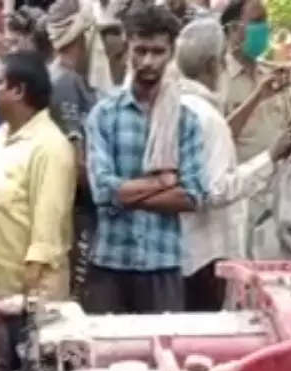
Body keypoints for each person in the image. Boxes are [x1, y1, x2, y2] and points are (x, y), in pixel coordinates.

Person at [175, 19, 291, 312]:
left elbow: (220, 134)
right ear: (213, 65)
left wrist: (259, 96)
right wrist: (271, 157)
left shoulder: (183, 106)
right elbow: (217, 189)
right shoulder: (205, 117)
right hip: (206, 255)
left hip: (186, 252)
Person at [83, 4, 208, 314]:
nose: (148, 61)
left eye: (157, 52)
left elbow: (193, 195)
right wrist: (163, 183)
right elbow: (101, 190)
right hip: (110, 262)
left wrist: (125, 195)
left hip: (162, 263)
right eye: (141, 51)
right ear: (127, 49)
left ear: (170, 54)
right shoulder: (105, 115)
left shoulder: (186, 121)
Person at [0, 51, 76, 299]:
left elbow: (46, 240)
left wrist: (30, 307)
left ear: (18, 91)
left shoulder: (50, 148)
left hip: (23, 297)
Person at [43, 0, 100, 299]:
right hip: (79, 209)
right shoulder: (65, 82)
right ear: (84, 36)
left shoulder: (66, 79)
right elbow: (76, 160)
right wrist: (109, 195)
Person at [220, 0, 291, 163]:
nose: (264, 28)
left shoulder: (273, 75)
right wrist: (256, 98)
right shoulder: (218, 78)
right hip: (243, 181)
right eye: (257, 21)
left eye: (265, 21)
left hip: (280, 178)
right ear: (233, 28)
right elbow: (216, 140)